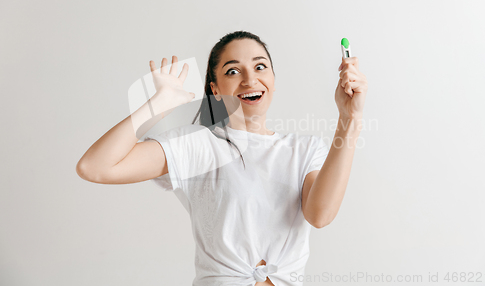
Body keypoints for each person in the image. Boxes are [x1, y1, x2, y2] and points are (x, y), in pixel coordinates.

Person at [76, 31, 368, 286]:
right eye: (232, 71)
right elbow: (95, 167)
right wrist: (158, 106)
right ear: (214, 89)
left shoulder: (303, 150)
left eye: (260, 67)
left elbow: (320, 215)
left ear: (273, 80)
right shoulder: (196, 146)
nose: (250, 79)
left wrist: (350, 118)